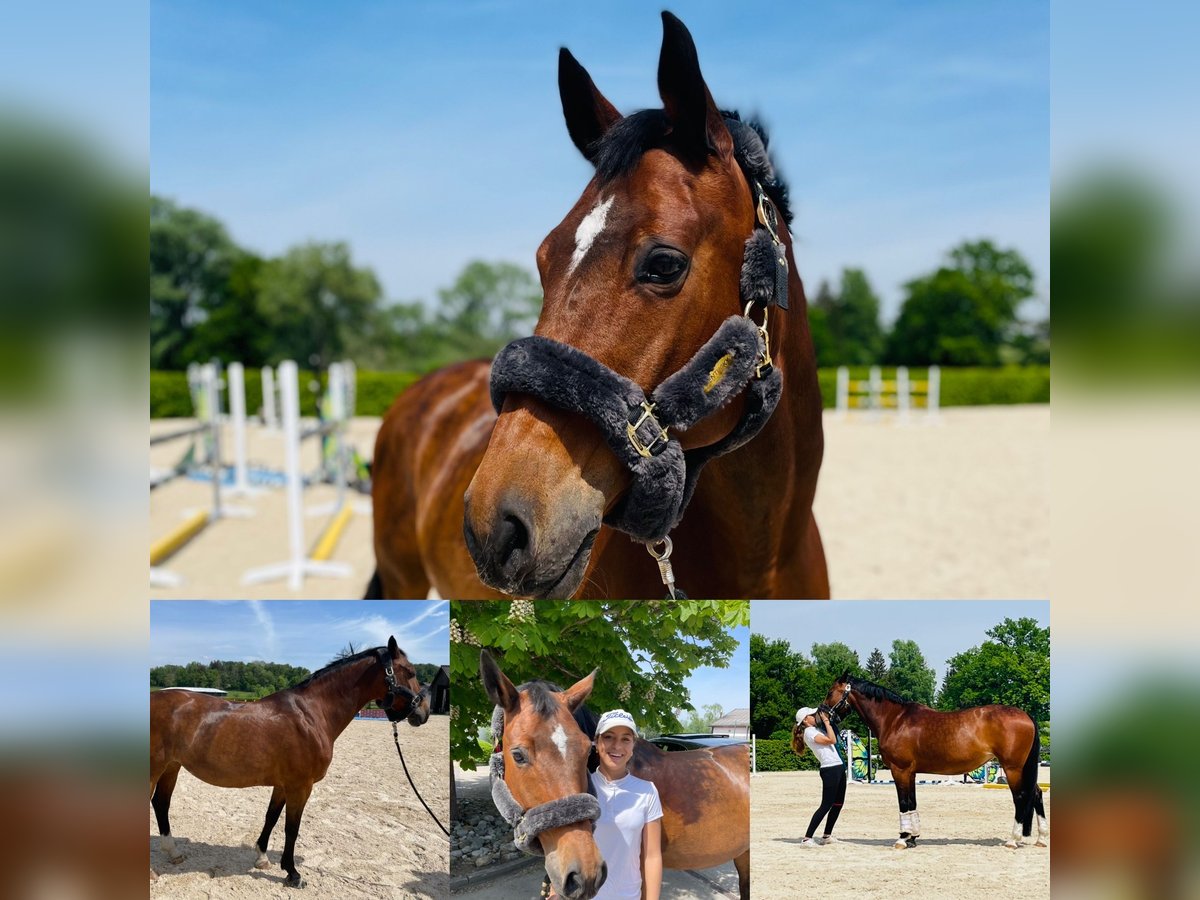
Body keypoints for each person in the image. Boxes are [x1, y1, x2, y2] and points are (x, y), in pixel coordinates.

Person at [590, 709, 663, 900]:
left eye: (625, 739)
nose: (617, 746)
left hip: (628, 895)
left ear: (633, 747)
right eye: (608, 737)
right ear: (597, 743)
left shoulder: (647, 791)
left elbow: (652, 856)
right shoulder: (581, 788)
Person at [792, 706, 846, 847]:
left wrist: (830, 721)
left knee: (838, 803)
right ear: (805, 720)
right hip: (829, 769)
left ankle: (826, 835)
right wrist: (826, 722)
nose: (815, 716)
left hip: (838, 766)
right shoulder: (809, 732)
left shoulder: (816, 729)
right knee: (826, 804)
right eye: (812, 714)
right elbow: (831, 740)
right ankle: (807, 838)